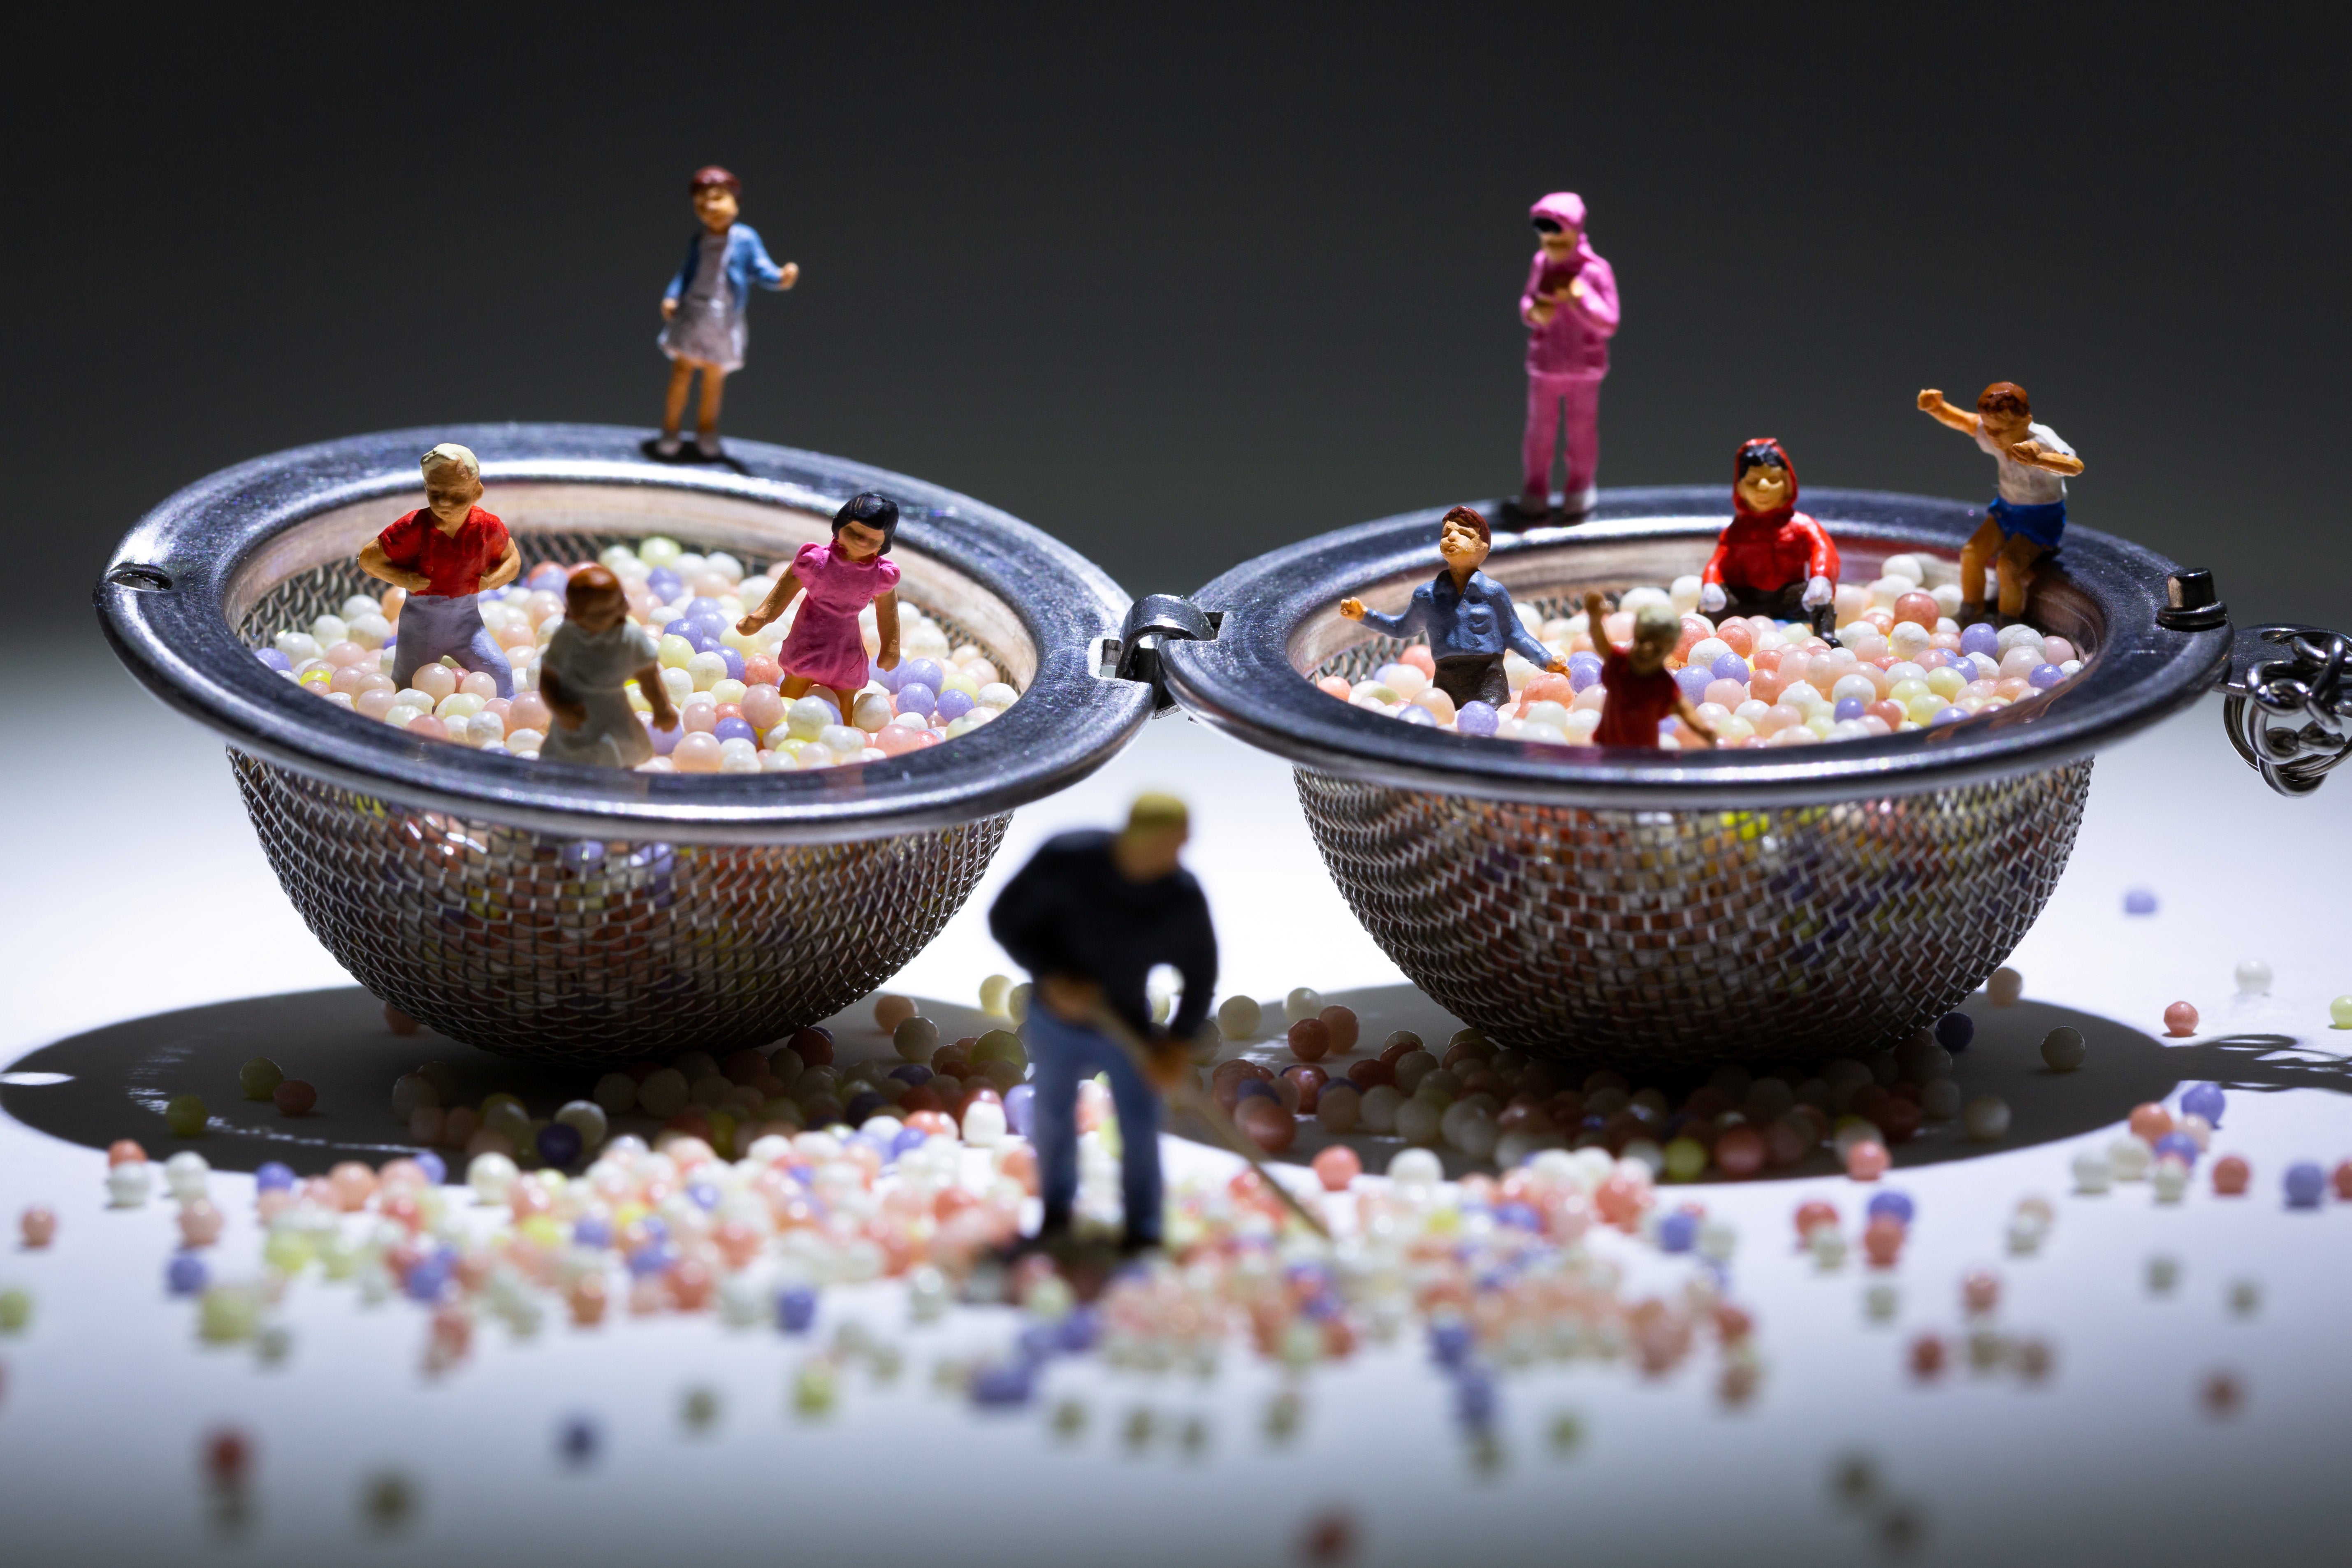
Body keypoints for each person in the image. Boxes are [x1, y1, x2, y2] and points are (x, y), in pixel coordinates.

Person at [988, 795, 1218, 1254]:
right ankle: (1056, 1215)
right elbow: (1006, 918)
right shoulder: (1068, 858)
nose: (1173, 857)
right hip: (1057, 1021)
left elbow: (1201, 975)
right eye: (1167, 845)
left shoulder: (1179, 896)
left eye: (1180, 847)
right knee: (1053, 1115)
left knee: (1140, 1121)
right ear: (1135, 834)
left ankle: (1145, 1229)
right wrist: (1052, 975)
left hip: (1128, 1030)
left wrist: (1177, 1042)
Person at [1338, 505, 1568, 710]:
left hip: (1488, 675)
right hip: (1446, 677)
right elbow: (1402, 629)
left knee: (1489, 723)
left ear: (1483, 547)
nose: (1452, 538)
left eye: (1465, 534)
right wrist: (1364, 615)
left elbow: (1514, 634)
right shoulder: (1426, 595)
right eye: (1447, 533)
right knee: (1446, 724)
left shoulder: (1492, 592)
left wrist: (1546, 661)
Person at [656, 165, 799, 459]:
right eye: (701, 202)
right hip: (693, 311)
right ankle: (671, 431)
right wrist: (672, 296)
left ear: (735, 200)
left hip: (723, 318)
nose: (710, 207)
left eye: (718, 198)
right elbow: (686, 273)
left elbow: (760, 269)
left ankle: (706, 431)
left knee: (713, 377)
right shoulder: (699, 240)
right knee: (681, 373)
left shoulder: (745, 239)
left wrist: (780, 278)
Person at [357, 443, 522, 696]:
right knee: (408, 685)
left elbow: (513, 560)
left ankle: (510, 712)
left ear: (477, 492)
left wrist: (491, 581)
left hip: (467, 623)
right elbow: (368, 559)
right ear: (426, 489)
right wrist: (404, 578)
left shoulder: (487, 527)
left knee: (499, 671)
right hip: (421, 622)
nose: (445, 502)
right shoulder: (413, 527)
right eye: (436, 493)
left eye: (457, 495)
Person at [1916, 382, 2083, 622]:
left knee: (2008, 566)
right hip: (2006, 510)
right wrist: (1937, 408)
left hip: (2041, 518)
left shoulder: (2042, 440)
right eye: (1990, 430)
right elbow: (1964, 421)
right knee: (1971, 554)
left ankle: (2008, 621)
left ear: (2026, 421)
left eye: (2002, 430)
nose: (1994, 437)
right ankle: (1971, 610)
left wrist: (2041, 459)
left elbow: (2076, 466)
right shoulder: (1989, 429)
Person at [735, 492, 904, 721]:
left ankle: (843, 732)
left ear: (884, 545)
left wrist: (890, 648)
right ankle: (781, 723)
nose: (862, 542)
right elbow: (786, 588)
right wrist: (762, 616)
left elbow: (887, 611)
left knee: (846, 687)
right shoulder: (815, 561)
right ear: (839, 527)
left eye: (872, 540)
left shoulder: (881, 575)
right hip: (810, 633)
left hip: (846, 642)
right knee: (798, 678)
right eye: (854, 533)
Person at [1511, 192, 1620, 521]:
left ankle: (1580, 489)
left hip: (1583, 367)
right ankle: (1535, 489)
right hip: (1546, 364)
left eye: (1556, 232)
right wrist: (1535, 312)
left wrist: (1580, 300)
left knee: (1581, 433)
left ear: (1574, 230)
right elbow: (1527, 304)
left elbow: (1610, 321)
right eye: (1544, 233)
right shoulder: (1540, 264)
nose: (1549, 240)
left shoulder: (1595, 271)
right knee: (1538, 433)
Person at [536, 565, 679, 768]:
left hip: (614, 711)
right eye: (605, 613)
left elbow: (649, 677)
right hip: (577, 714)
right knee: (570, 764)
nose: (622, 612)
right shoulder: (567, 637)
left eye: (621, 603)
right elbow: (548, 679)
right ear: (575, 614)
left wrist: (662, 708)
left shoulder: (629, 636)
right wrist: (561, 709)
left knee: (625, 755)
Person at [1698, 438, 1841, 637]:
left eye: (1773, 480)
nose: (1763, 488)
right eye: (1753, 482)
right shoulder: (1735, 532)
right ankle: (1702, 637)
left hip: (1789, 596)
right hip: (1745, 598)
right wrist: (1712, 586)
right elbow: (1717, 564)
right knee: (1712, 604)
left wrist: (1821, 579)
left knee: (1818, 597)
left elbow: (1823, 550)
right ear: (1740, 487)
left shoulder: (1802, 526)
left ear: (1788, 483)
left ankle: (1825, 637)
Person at [1583, 589, 1718, 749]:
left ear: (1669, 651)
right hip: (1608, 750)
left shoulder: (1663, 685)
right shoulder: (1620, 663)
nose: (1646, 649)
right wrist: (1595, 617)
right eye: (1642, 640)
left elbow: (1686, 712)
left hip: (1643, 758)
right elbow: (1601, 643)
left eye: (1656, 648)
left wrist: (1708, 735)